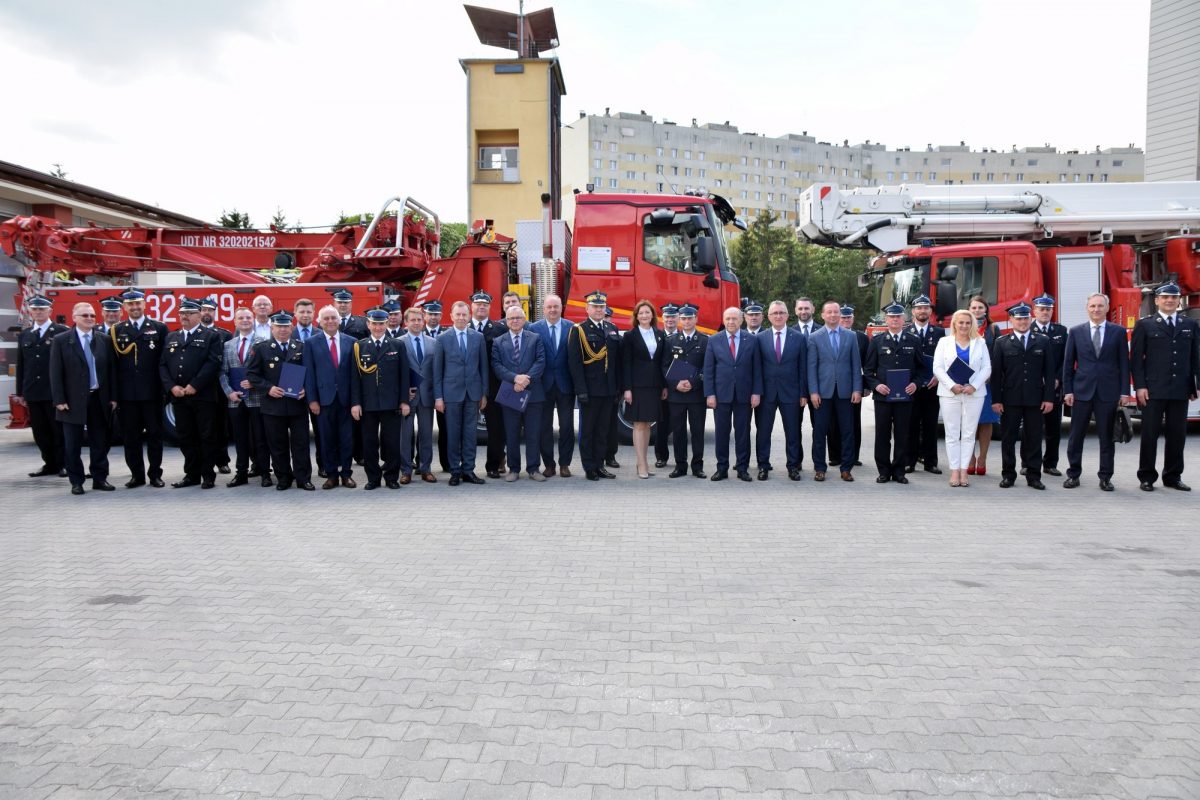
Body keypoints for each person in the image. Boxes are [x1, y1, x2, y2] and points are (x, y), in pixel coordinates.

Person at [1131, 282, 1199, 491]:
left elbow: (1195, 357)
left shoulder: (1190, 324)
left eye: (1174, 297)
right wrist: (1140, 386)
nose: (1170, 300)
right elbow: (1136, 360)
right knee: (1150, 434)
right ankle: (1146, 477)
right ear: (1157, 300)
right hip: (1153, 389)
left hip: (1180, 388)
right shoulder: (1146, 325)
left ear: (1179, 301)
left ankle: (1173, 476)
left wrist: (1195, 385)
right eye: (1165, 297)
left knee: (1177, 434)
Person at [1063, 293, 1130, 492]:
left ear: (1107, 308)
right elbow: (1068, 364)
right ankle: (1073, 475)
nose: (1096, 309)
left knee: (1107, 437)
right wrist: (1068, 390)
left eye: (1100, 306)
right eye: (1092, 306)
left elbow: (1124, 364)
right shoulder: (1076, 332)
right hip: (1082, 391)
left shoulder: (1118, 332)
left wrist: (1124, 392)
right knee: (1076, 436)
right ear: (1087, 308)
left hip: (1108, 393)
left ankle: (1105, 477)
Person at [50, 302, 118, 495]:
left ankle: (100, 478)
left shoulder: (104, 340)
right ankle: (76, 481)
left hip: (99, 398)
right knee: (72, 444)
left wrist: (113, 397)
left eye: (92, 316)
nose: (89, 319)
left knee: (100, 442)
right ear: (74, 318)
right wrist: (59, 399)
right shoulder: (61, 340)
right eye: (84, 316)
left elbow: (111, 371)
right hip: (71, 401)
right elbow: (55, 372)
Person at [991, 302, 1056, 490]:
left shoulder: (1042, 341)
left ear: (1031, 319)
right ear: (1011, 320)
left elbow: (1049, 372)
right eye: (1018, 319)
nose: (1022, 322)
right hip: (1010, 399)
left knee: (1034, 438)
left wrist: (1049, 398)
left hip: (1035, 398)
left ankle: (1034, 475)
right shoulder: (1001, 342)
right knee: (1008, 438)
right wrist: (996, 400)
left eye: (1026, 318)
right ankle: (1008, 475)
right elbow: (996, 374)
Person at [160, 298, 223, 489]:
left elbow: (213, 363)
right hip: (179, 397)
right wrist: (171, 387)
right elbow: (162, 365)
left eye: (189, 313)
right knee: (185, 436)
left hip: (202, 396)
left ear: (198, 315)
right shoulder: (172, 337)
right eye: (182, 313)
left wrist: (195, 385)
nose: (184, 317)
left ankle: (207, 475)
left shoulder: (210, 336)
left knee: (206, 436)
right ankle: (191, 474)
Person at [109, 289, 170, 488]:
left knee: (155, 435)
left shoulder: (158, 328)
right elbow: (113, 365)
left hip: (152, 393)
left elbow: (164, 361)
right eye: (130, 304)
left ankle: (155, 475)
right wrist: (115, 394)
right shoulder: (117, 330)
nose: (135, 307)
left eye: (138, 304)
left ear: (145, 305)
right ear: (125, 307)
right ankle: (137, 475)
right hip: (127, 395)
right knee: (131, 438)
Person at [247, 312, 314, 490]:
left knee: (301, 444)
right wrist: (268, 388)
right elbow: (252, 374)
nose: (283, 330)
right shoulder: (261, 348)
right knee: (278, 445)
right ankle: (283, 478)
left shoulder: (301, 346)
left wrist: (306, 389)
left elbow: (310, 372)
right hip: (272, 406)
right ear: (272, 327)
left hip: (297, 404)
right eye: (279, 326)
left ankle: (303, 478)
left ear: (291, 328)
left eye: (286, 326)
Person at [350, 308, 410, 490]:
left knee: (391, 442)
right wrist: (356, 403)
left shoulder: (397, 345)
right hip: (368, 404)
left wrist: (404, 401)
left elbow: (404, 376)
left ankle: (391, 477)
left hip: (391, 403)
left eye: (381, 323)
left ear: (387, 324)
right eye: (374, 323)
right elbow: (355, 378)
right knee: (369, 443)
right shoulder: (359, 346)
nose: (377, 327)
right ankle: (373, 478)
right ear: (368, 324)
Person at [864, 303, 924, 484]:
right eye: (891, 317)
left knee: (902, 434)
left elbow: (921, 369)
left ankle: (899, 471)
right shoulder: (877, 341)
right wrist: (876, 385)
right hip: (883, 397)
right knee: (882, 434)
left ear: (904, 319)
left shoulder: (913, 341)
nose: (895, 320)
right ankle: (883, 470)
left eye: (898, 317)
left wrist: (915, 384)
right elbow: (868, 370)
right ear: (886, 320)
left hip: (905, 397)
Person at [932, 309, 992, 487]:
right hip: (950, 393)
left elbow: (987, 368)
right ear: (954, 324)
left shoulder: (980, 343)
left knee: (968, 434)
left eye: (968, 322)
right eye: (961, 322)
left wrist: (974, 386)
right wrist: (952, 385)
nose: (964, 326)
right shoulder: (944, 342)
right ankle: (954, 471)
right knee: (951, 433)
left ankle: (964, 472)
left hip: (974, 393)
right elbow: (937, 367)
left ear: (972, 324)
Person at [433, 300, 489, 485]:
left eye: (464, 314)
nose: (461, 318)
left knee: (470, 434)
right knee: (453, 434)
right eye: (458, 314)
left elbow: (483, 368)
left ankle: (469, 470)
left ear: (469, 315)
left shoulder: (477, 337)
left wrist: (484, 393)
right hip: (451, 395)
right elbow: (437, 371)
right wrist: (438, 397)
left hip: (473, 394)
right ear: (451, 316)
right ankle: (455, 471)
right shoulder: (442, 338)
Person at [704, 306, 762, 482]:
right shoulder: (714, 340)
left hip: (744, 395)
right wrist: (710, 394)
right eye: (728, 319)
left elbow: (757, 369)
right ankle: (721, 468)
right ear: (723, 320)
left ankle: (742, 468)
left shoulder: (751, 340)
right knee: (722, 432)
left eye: (734, 319)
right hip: (721, 395)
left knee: (743, 432)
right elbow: (708, 370)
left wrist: (756, 392)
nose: (731, 322)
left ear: (741, 320)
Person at [568, 291, 620, 481]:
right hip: (589, 390)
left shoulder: (611, 328)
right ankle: (589, 467)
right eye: (595, 307)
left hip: (608, 390)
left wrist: (617, 388)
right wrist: (580, 390)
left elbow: (615, 362)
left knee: (602, 430)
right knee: (588, 431)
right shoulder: (579, 330)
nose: (599, 310)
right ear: (587, 308)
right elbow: (574, 363)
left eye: (601, 307)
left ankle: (600, 465)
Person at [807, 300, 861, 482]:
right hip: (822, 393)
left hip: (846, 392)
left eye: (836, 312)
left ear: (840, 315)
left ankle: (846, 468)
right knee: (820, 431)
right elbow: (811, 367)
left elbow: (855, 365)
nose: (832, 315)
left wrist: (857, 389)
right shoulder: (814, 337)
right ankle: (819, 468)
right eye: (829, 312)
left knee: (847, 431)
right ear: (822, 315)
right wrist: (813, 391)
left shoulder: (850, 336)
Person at [304, 305, 358, 489]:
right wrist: (312, 400)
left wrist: (356, 401)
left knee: (347, 439)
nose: (330, 321)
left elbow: (355, 375)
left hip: (346, 400)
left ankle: (346, 475)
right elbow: (309, 374)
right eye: (326, 318)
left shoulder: (352, 342)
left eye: (333, 318)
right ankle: (331, 475)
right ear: (319, 321)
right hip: (323, 400)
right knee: (326, 439)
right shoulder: (311, 343)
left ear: (339, 320)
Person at [15, 295, 68, 478]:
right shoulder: (25, 335)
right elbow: (21, 364)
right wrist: (20, 392)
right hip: (33, 391)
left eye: (42, 309)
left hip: (54, 391)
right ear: (30, 311)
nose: (38, 312)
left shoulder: (61, 332)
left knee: (58, 430)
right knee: (40, 432)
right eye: (35, 309)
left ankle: (63, 464)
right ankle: (49, 464)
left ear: (50, 311)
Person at [492, 305, 547, 481]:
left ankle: (533, 469)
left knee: (533, 433)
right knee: (512, 433)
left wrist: (526, 379)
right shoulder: (498, 341)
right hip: (511, 392)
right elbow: (496, 365)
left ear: (524, 319)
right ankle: (514, 469)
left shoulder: (535, 338)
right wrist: (516, 378)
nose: (514, 321)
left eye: (518, 318)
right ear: (506, 321)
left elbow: (540, 361)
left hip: (533, 394)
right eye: (511, 318)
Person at [755, 300, 806, 481]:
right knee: (763, 432)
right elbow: (756, 369)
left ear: (787, 315)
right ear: (768, 317)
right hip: (766, 394)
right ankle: (763, 465)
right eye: (774, 313)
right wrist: (756, 392)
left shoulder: (798, 338)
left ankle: (793, 466)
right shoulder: (759, 339)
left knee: (792, 432)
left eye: (781, 313)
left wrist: (803, 393)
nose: (778, 316)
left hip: (791, 393)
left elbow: (802, 368)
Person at [219, 307, 271, 487]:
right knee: (240, 440)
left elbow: (268, 371)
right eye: (241, 318)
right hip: (236, 400)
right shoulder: (228, 345)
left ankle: (265, 473)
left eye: (248, 317)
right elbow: (223, 373)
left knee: (260, 438)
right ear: (235, 322)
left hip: (257, 399)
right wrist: (229, 392)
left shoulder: (263, 342)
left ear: (253, 319)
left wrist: (255, 383)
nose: (245, 320)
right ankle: (241, 473)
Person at [528, 294, 575, 477]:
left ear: (561, 307)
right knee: (544, 427)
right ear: (543, 308)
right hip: (542, 385)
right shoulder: (533, 328)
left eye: (556, 306)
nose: (553, 310)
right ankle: (549, 465)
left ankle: (565, 464)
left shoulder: (571, 328)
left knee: (567, 426)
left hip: (565, 384)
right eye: (549, 307)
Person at [621, 300, 667, 479]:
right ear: (636, 316)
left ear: (652, 315)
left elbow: (662, 362)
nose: (644, 316)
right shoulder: (630, 336)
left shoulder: (659, 334)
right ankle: (640, 463)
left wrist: (664, 385)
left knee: (648, 424)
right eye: (641, 313)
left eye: (647, 312)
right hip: (637, 386)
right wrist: (627, 389)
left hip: (654, 385)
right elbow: (626, 364)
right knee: (639, 425)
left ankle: (645, 462)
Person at [664, 303, 708, 478]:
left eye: (690, 318)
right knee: (678, 432)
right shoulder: (670, 341)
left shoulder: (705, 341)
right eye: (683, 318)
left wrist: (693, 382)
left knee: (697, 431)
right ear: (679, 320)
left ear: (696, 319)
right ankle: (680, 466)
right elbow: (664, 366)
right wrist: (675, 383)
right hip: (677, 395)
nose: (687, 321)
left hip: (696, 393)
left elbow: (707, 367)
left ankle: (697, 466)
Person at [469, 291, 508, 479]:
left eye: (485, 304)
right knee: (466, 429)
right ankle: (465, 466)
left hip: (494, 387)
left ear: (489, 307)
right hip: (467, 387)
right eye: (478, 304)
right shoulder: (463, 327)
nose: (481, 306)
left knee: (495, 429)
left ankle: (493, 465)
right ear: (472, 306)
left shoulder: (500, 329)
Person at [905, 295, 945, 475]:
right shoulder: (906, 332)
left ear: (930, 311)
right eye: (919, 308)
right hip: (912, 386)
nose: (922, 311)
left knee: (930, 425)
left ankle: (931, 462)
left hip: (932, 385)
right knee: (911, 425)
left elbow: (944, 359)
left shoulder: (939, 333)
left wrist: (938, 376)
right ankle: (909, 461)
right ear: (913, 311)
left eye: (926, 307)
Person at [1031, 294, 1068, 476]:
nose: (1045, 312)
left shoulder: (1061, 331)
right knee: (1032, 429)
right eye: (1041, 309)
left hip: (1054, 388)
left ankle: (1050, 464)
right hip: (1033, 387)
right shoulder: (1026, 329)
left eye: (1048, 309)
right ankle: (1028, 463)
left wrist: (1057, 378)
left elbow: (1066, 360)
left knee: (1053, 429)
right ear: (1034, 311)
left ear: (1052, 311)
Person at [827, 305, 869, 468]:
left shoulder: (861, 338)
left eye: (848, 317)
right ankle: (835, 456)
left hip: (854, 387)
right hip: (833, 386)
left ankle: (852, 456)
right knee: (833, 422)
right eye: (843, 317)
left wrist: (865, 386)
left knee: (853, 422)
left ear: (853, 318)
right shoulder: (831, 335)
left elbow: (866, 364)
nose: (846, 320)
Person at [399, 307, 436, 484]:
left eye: (419, 319)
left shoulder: (433, 343)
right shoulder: (398, 342)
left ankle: (426, 469)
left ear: (424, 321)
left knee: (426, 434)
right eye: (412, 320)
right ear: (405, 322)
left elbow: (437, 371)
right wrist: (402, 392)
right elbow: (395, 372)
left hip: (427, 395)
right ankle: (406, 470)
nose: (416, 323)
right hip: (407, 397)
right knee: (405, 435)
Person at [966, 295, 1001, 475]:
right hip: (967, 382)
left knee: (986, 421)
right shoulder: (963, 327)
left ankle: (983, 458)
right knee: (969, 422)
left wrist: (990, 375)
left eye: (980, 307)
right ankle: (970, 458)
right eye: (974, 308)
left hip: (987, 382)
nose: (977, 311)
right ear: (968, 310)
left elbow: (998, 355)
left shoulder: (993, 330)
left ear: (986, 310)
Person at [421, 301, 451, 473]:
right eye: (429, 314)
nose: (433, 317)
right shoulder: (416, 333)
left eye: (436, 314)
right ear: (424, 315)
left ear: (441, 316)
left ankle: (446, 462)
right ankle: (421, 463)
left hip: (443, 390)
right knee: (424, 429)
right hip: (423, 389)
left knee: (445, 428)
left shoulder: (447, 335)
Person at [653, 303, 679, 468]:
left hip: (678, 386)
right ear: (662, 318)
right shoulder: (657, 336)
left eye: (673, 316)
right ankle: (661, 456)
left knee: (678, 424)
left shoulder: (683, 336)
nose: (670, 319)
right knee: (661, 424)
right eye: (667, 316)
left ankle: (680, 459)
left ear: (678, 318)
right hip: (661, 387)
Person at [793, 296, 818, 468]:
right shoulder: (789, 332)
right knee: (795, 428)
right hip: (796, 389)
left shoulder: (823, 330)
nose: (803, 312)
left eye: (806, 308)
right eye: (800, 309)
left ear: (813, 309)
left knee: (819, 428)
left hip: (819, 388)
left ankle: (819, 463)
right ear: (795, 311)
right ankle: (796, 461)